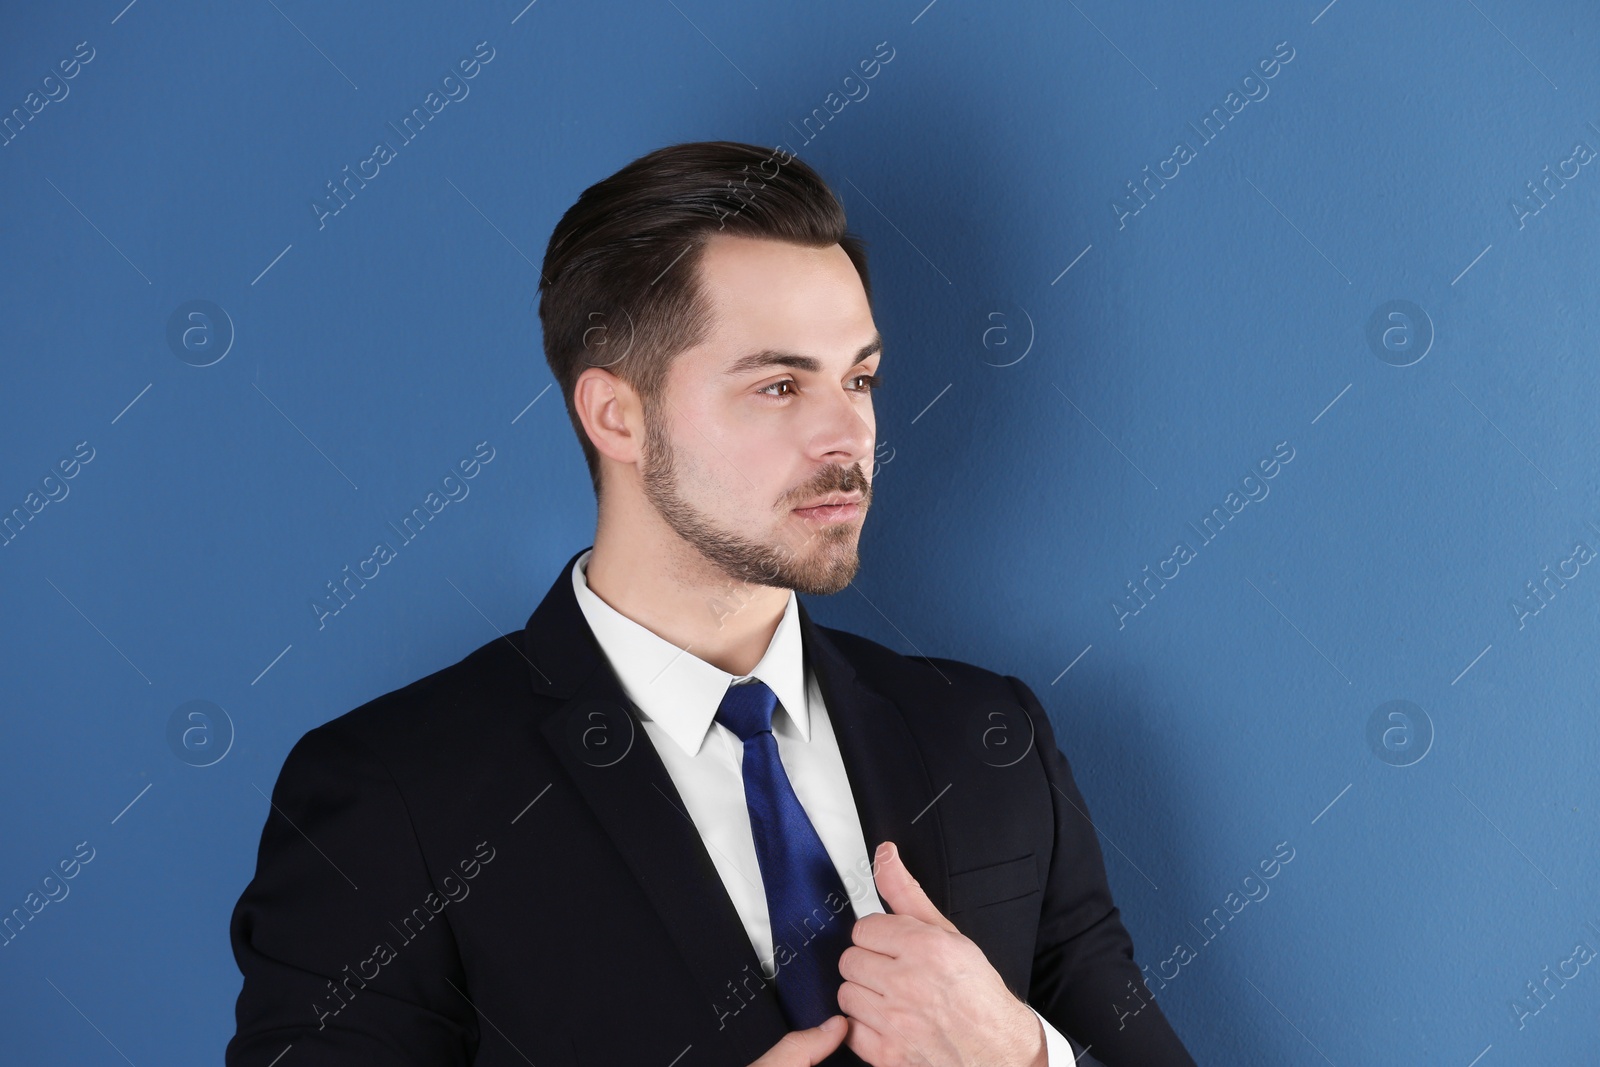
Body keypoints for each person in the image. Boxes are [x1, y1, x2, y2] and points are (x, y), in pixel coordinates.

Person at [226, 140, 1196, 1066]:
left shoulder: (990, 736)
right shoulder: (397, 795)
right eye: (779, 385)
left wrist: (1019, 1053)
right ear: (617, 414)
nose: (847, 435)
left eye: (859, 377)